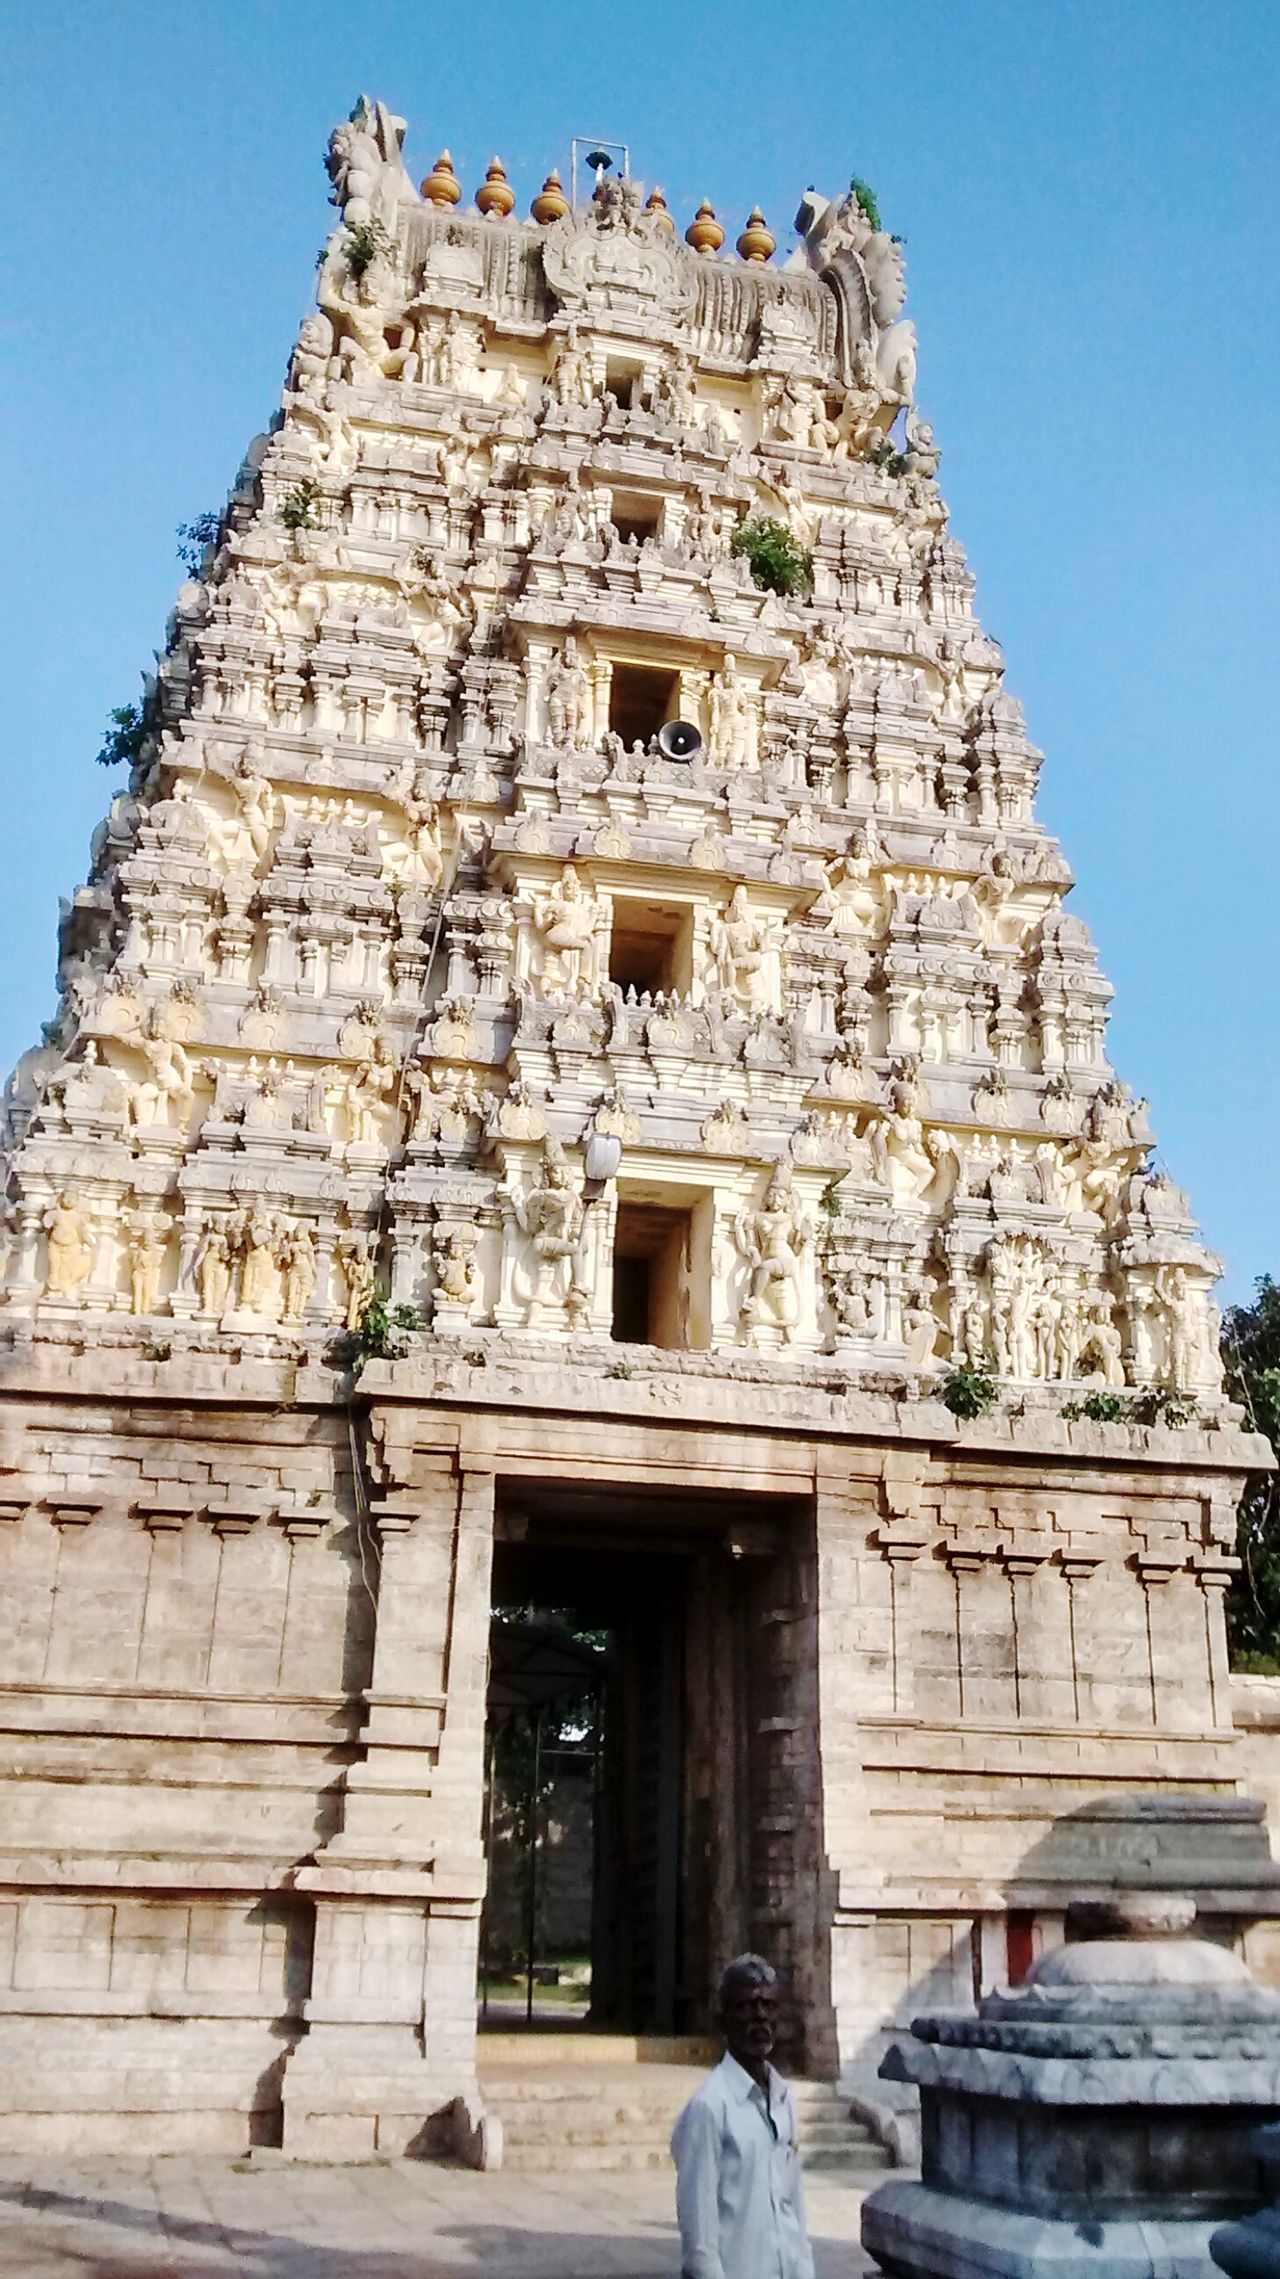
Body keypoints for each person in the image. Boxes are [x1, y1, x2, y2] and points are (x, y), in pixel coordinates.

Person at [670, 1954, 814, 2279]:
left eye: (768, 2005)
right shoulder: (709, 2107)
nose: (759, 2016)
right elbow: (699, 2231)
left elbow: (792, 2204)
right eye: (746, 2007)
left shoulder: (783, 2098)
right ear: (723, 2021)